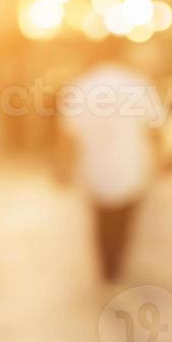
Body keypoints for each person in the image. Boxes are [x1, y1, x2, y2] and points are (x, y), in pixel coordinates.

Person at [58, 37, 158, 285]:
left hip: (94, 164)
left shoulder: (82, 86)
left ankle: (106, 265)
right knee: (123, 217)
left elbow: (67, 134)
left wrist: (62, 166)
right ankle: (116, 263)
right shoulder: (137, 84)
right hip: (131, 163)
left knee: (101, 217)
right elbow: (155, 127)